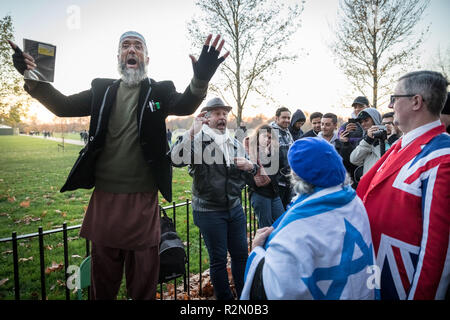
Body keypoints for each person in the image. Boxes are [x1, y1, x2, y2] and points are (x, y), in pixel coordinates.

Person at [9, 32, 229, 300]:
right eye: (126, 46)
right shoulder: (102, 90)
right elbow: (62, 105)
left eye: (138, 46)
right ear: (119, 57)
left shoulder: (159, 91)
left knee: (143, 287)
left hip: (143, 203)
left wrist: (201, 77)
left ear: (146, 58)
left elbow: (185, 104)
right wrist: (31, 76)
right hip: (105, 201)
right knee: (102, 287)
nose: (131, 50)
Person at [240, 138, 376, 300]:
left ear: (296, 175)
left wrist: (256, 251)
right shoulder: (355, 203)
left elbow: (279, 291)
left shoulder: (295, 229)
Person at [357, 70, 450, 300]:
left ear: (416, 101)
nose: (390, 105)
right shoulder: (403, 144)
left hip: (402, 279)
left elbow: (439, 251)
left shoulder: (442, 157)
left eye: (395, 98)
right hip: (378, 271)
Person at [171, 97, 257, 300]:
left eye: (225, 114)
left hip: (234, 209)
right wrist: (191, 131)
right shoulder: (198, 142)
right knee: (218, 260)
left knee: (240, 256)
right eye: (217, 113)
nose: (222, 118)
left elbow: (250, 175)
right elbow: (175, 158)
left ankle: (244, 296)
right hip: (209, 211)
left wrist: (250, 166)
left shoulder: (234, 142)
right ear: (206, 118)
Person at [244, 124, 284, 228]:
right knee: (265, 227)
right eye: (265, 136)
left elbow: (276, 173)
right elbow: (247, 176)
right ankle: (264, 245)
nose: (268, 140)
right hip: (259, 194)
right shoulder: (250, 152)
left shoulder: (274, 151)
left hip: (274, 193)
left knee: (281, 223)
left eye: (270, 137)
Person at [270, 107, 294, 209]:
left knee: (286, 210)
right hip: (276, 181)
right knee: (277, 214)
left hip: (288, 180)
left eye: (289, 118)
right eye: (284, 117)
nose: (287, 120)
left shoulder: (287, 132)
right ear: (276, 118)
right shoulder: (269, 131)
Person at [349, 107, 384, 177]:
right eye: (361, 122)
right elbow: (354, 160)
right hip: (368, 181)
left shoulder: (387, 136)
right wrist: (368, 141)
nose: (363, 124)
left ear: (375, 120)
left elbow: (383, 159)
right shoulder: (364, 139)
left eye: (366, 120)